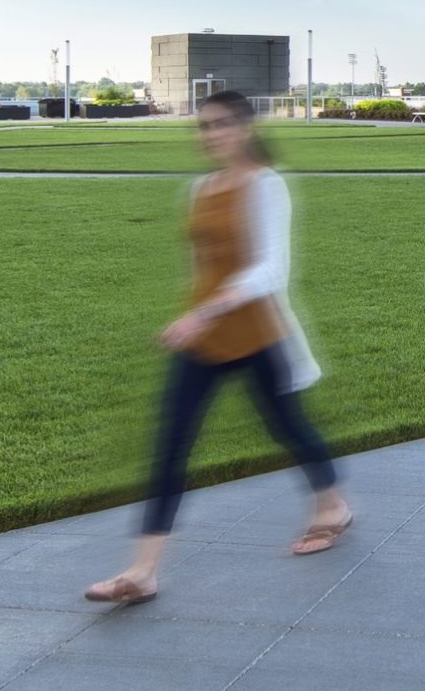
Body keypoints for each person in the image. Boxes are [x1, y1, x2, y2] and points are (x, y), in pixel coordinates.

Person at [87, 91, 348, 605]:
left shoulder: (267, 186)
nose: (213, 135)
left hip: (257, 334)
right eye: (205, 127)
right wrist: (194, 316)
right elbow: (202, 268)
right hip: (203, 338)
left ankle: (332, 507)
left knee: (288, 427)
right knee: (171, 444)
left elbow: (272, 270)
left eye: (224, 124)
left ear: (247, 129)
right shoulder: (200, 188)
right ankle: (143, 572)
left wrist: (203, 312)